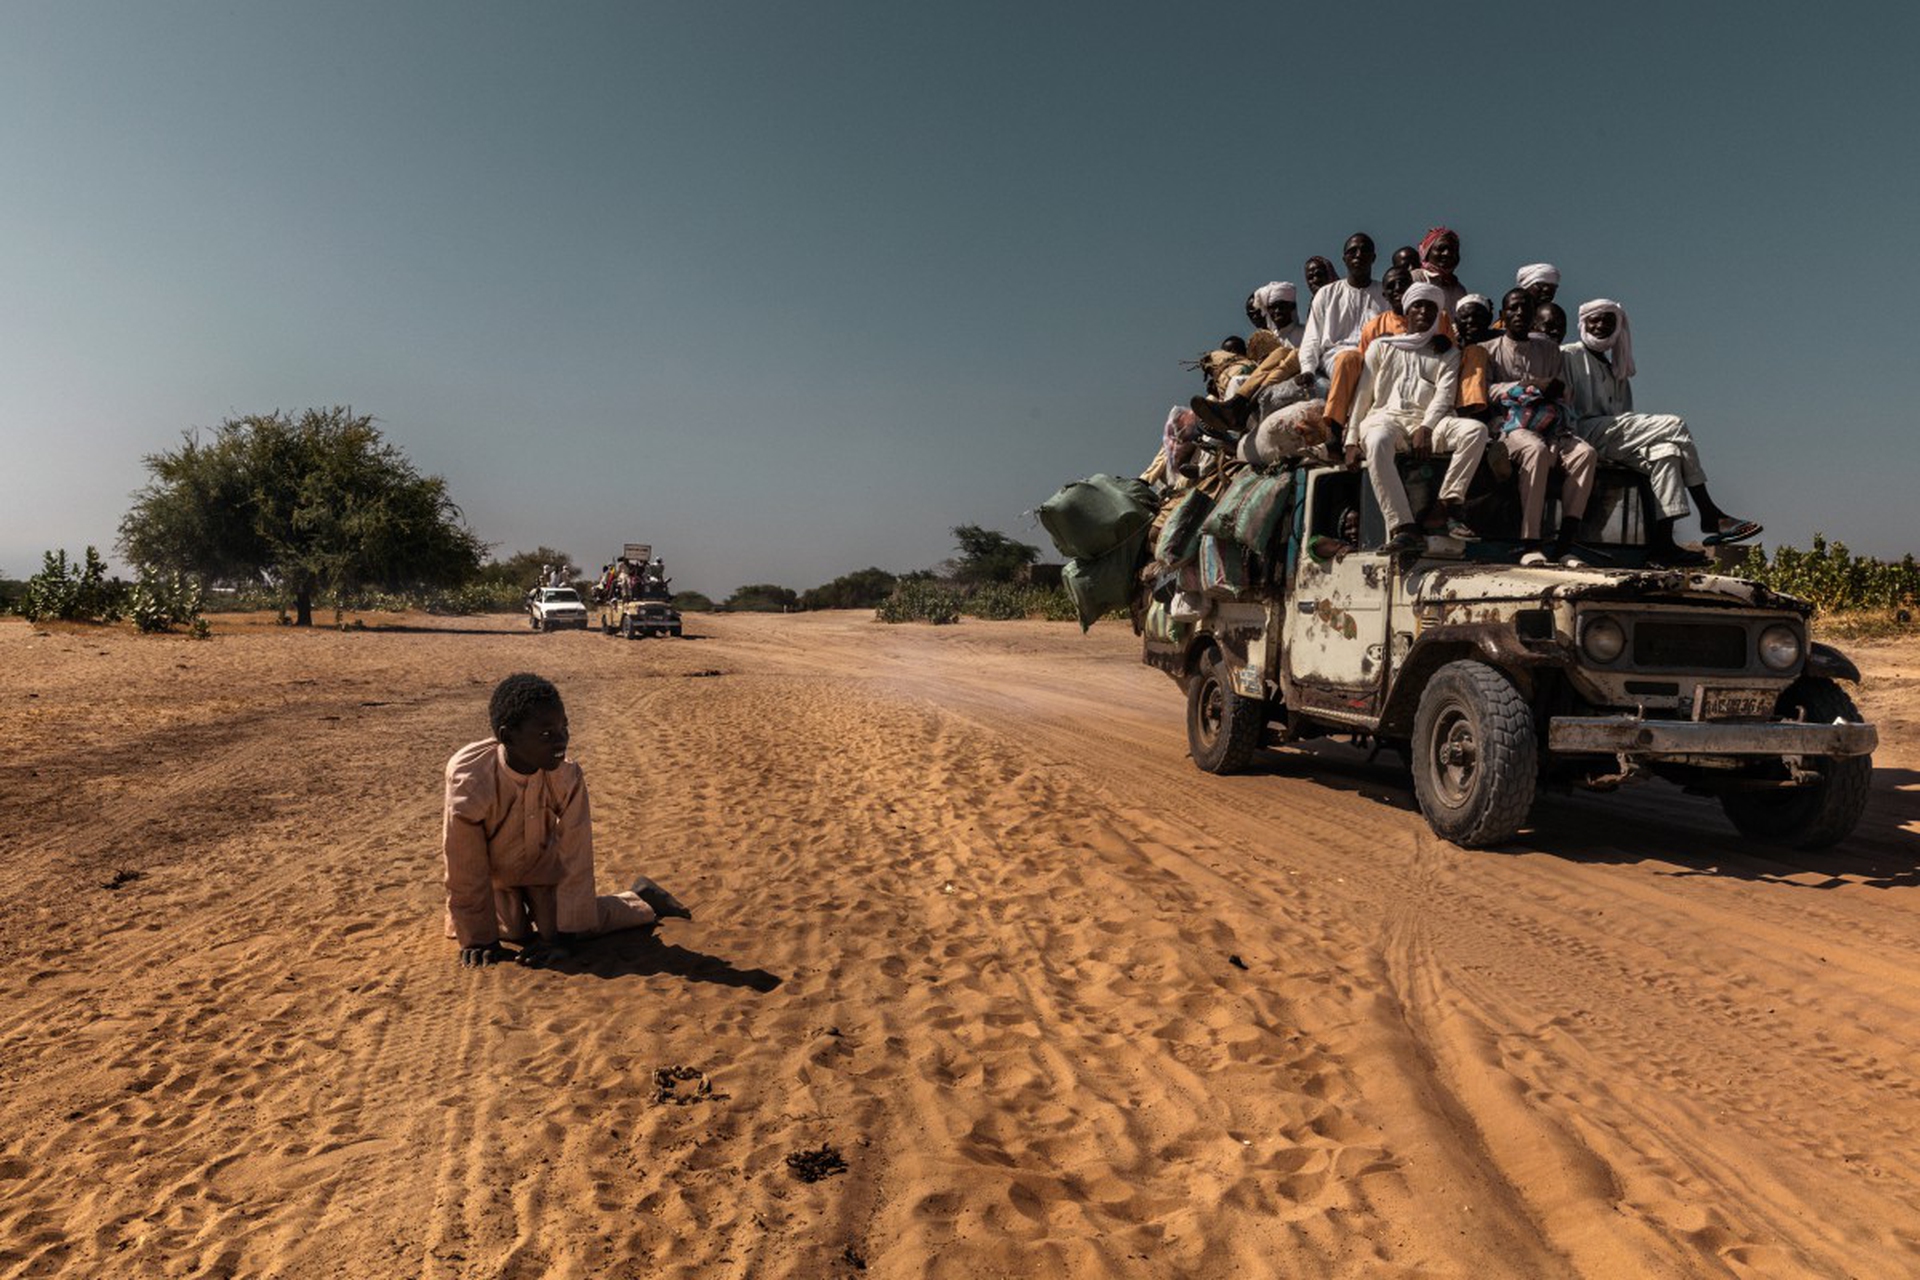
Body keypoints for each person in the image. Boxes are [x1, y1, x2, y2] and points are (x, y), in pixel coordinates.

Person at [442, 674, 691, 968]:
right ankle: (507, 920)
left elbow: (576, 856)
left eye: (565, 728)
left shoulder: (567, 776)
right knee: (513, 932)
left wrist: (562, 939)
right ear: (507, 737)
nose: (561, 739)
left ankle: (641, 898)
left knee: (571, 926)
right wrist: (478, 938)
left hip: (544, 872)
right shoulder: (470, 776)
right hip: (496, 878)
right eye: (546, 734)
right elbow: (463, 863)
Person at [1562, 299, 1761, 563]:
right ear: (1583, 323)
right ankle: (1709, 512)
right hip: (1579, 433)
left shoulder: (1615, 370)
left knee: (1666, 453)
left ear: (1617, 327)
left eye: (1608, 321)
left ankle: (1663, 544)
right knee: (1674, 424)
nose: (1600, 326)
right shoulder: (1569, 354)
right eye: (1594, 320)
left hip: (1612, 435)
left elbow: (1624, 418)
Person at [1341, 283, 1487, 552]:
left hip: (1430, 422)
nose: (1423, 311)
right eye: (1417, 305)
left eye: (1431, 307)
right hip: (1387, 418)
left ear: (1438, 314)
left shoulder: (1447, 352)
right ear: (1406, 312)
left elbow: (1444, 395)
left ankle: (1445, 506)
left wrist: (1427, 426)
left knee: (1475, 431)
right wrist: (1351, 440)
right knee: (1376, 440)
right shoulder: (1381, 347)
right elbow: (1363, 395)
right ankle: (1404, 527)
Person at [1481, 296, 1596, 566]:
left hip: (1550, 423)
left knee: (1586, 453)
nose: (1520, 312)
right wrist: (1530, 385)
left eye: (1526, 308)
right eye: (1514, 308)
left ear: (1533, 317)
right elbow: (1486, 392)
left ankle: (1565, 545)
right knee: (1536, 450)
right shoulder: (1486, 350)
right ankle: (1531, 543)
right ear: (1503, 314)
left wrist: (1552, 390)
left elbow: (1563, 389)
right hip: (1508, 425)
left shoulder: (1549, 350)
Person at [1297, 232, 1388, 387]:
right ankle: (1336, 412)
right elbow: (1313, 336)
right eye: (1352, 251)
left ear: (1373, 258)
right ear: (1344, 259)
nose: (1358, 255)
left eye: (1364, 250)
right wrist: (1308, 369)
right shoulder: (1327, 293)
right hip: (1337, 356)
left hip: (1378, 355)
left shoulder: (1386, 293)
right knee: (1349, 360)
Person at [1412, 226, 1467, 312]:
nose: (1447, 253)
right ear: (1427, 252)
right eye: (1441, 249)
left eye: (1452, 250)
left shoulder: (1459, 289)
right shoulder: (1416, 277)